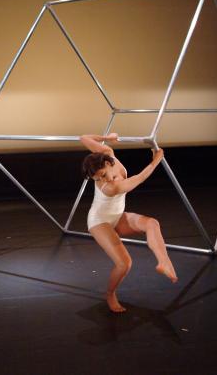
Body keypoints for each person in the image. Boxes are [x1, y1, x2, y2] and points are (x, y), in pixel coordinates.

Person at [80, 133, 178, 313]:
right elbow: (139, 178)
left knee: (152, 223)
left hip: (117, 216)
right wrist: (156, 159)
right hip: (99, 221)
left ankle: (163, 262)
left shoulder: (107, 152)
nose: (103, 180)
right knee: (124, 263)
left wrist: (106, 137)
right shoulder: (110, 187)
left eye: (103, 175)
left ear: (108, 162)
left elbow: (83, 138)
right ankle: (110, 294)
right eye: (97, 179)